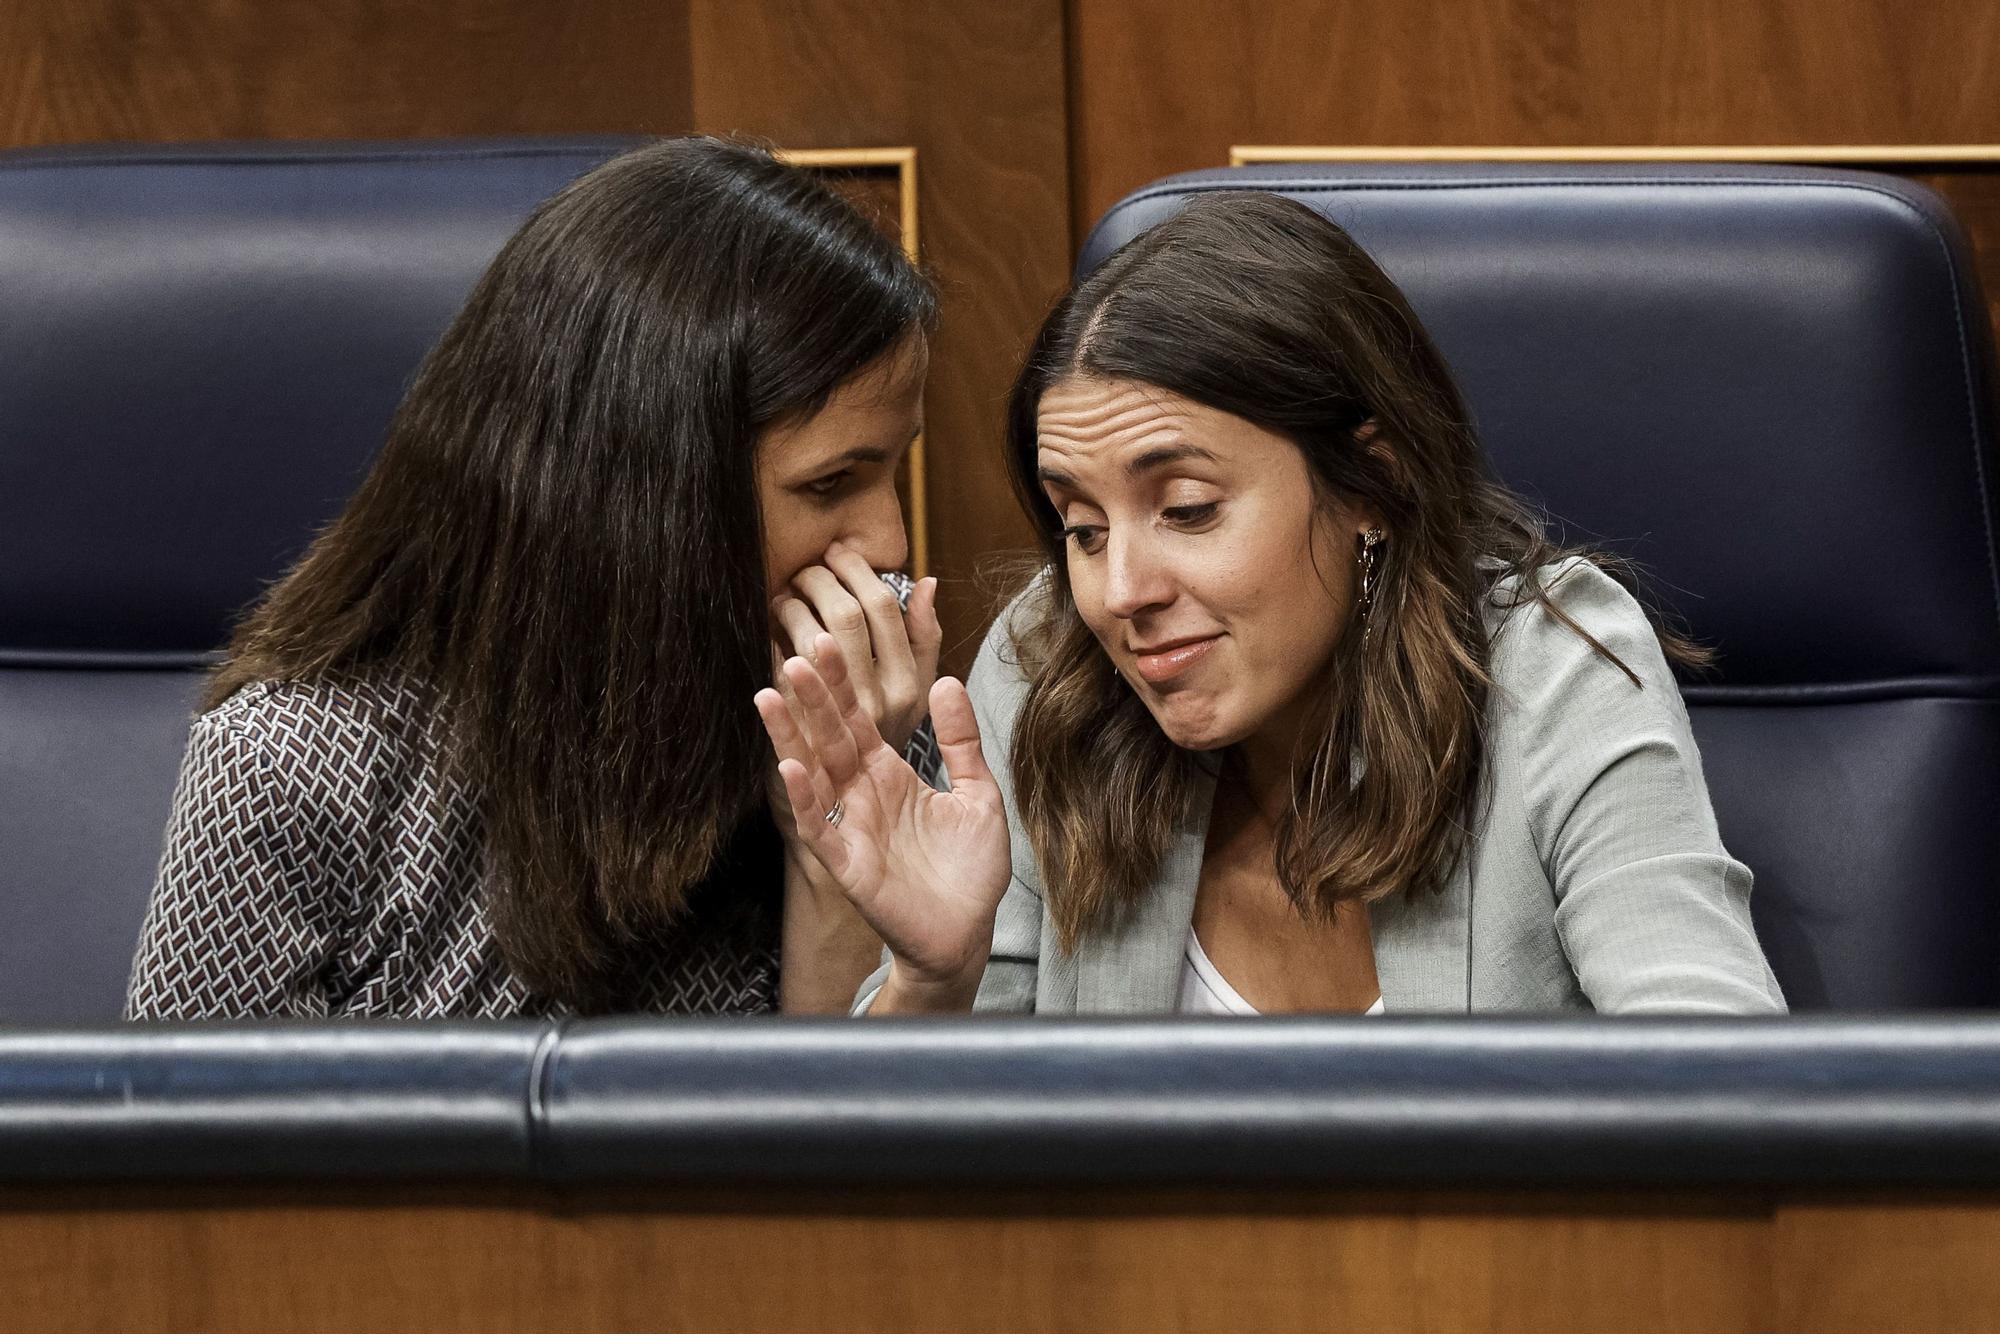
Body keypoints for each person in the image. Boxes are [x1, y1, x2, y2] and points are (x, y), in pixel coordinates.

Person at [761, 191, 1786, 1016]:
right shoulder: (1047, 674)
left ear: (1368, 484)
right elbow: (915, 1213)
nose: (1119, 593)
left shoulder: (1549, 669)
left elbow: (1719, 1090)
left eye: (1189, 508)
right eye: (1082, 529)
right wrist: (932, 980)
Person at [126, 136, 944, 1019]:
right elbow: (191, 1156)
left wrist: (833, 846)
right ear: (642, 495)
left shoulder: (871, 715)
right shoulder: (290, 772)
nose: (891, 544)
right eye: (831, 484)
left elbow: (834, 1146)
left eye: (893, 471)